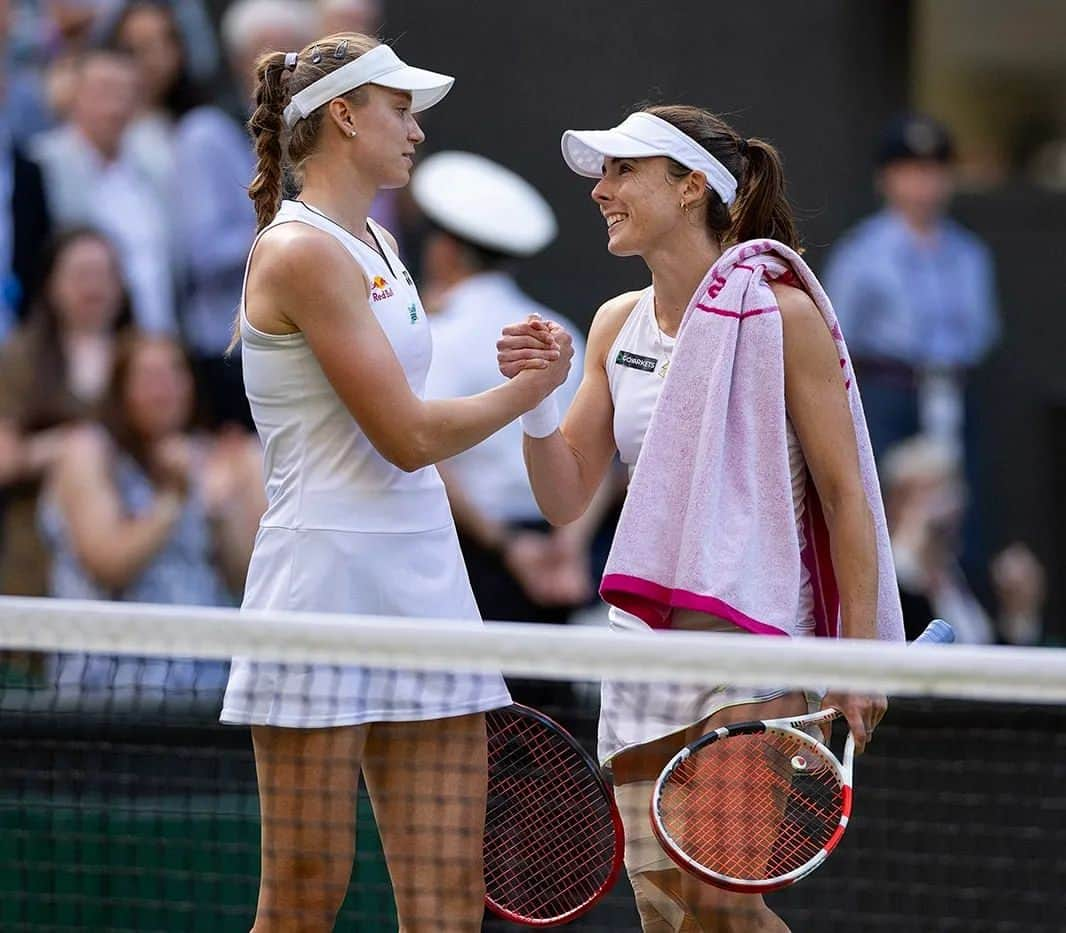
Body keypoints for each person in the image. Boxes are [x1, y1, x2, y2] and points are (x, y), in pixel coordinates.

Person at [497, 105, 904, 932]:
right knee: (668, 908)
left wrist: (859, 656)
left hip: (751, 641)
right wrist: (536, 407)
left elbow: (845, 494)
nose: (600, 190)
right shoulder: (616, 323)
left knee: (721, 899)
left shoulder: (784, 317)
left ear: (691, 187)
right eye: (602, 174)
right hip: (644, 649)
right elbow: (566, 495)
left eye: (622, 171)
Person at [215, 33, 572, 932]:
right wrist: (524, 392)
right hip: (323, 590)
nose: (416, 131)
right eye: (401, 110)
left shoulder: (379, 239)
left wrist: (516, 385)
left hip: (427, 587)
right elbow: (407, 436)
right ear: (345, 115)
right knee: (302, 898)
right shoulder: (299, 252)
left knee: (449, 907)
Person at [413, 151, 593, 719]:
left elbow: (426, 454)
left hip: (480, 561)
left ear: (444, 251)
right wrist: (568, 547)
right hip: (553, 561)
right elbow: (597, 458)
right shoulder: (564, 332)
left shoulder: (435, 334)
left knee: (473, 740)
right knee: (549, 750)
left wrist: (509, 547)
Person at [39, 331, 263, 694]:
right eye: (148, 376)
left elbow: (244, 579)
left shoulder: (208, 457)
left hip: (204, 689)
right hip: (104, 690)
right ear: (120, 387)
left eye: (175, 373)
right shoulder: (88, 453)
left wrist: (218, 510)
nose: (165, 388)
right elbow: (109, 564)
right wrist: (172, 499)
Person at [823, 113, 1000, 465]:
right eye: (911, 171)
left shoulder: (968, 252)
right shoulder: (861, 252)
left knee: (962, 506)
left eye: (934, 171)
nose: (924, 184)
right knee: (889, 508)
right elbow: (836, 335)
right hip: (886, 392)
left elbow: (983, 330)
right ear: (886, 178)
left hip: (951, 392)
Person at [174, 0, 317, 428]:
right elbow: (204, 253)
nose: (284, 69)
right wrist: (292, 235)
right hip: (230, 342)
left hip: (299, 337)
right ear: (239, 60)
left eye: (294, 54)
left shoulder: (310, 132)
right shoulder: (206, 133)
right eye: (269, 53)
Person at [0, 228, 132, 598]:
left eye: (103, 275)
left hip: (133, 537)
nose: (93, 288)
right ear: (52, 283)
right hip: (38, 553)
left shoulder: (139, 354)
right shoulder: (20, 357)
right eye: (80, 275)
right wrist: (67, 447)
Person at [29, 47, 176, 332]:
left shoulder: (155, 167)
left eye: (127, 93)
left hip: (155, 340)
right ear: (75, 95)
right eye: (105, 90)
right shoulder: (42, 167)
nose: (117, 105)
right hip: (74, 343)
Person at [882, 434, 1045, 646]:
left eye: (950, 489)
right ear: (896, 502)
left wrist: (1019, 612)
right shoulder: (889, 576)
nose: (947, 505)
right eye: (929, 492)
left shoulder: (967, 576)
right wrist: (911, 549)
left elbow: (993, 660)